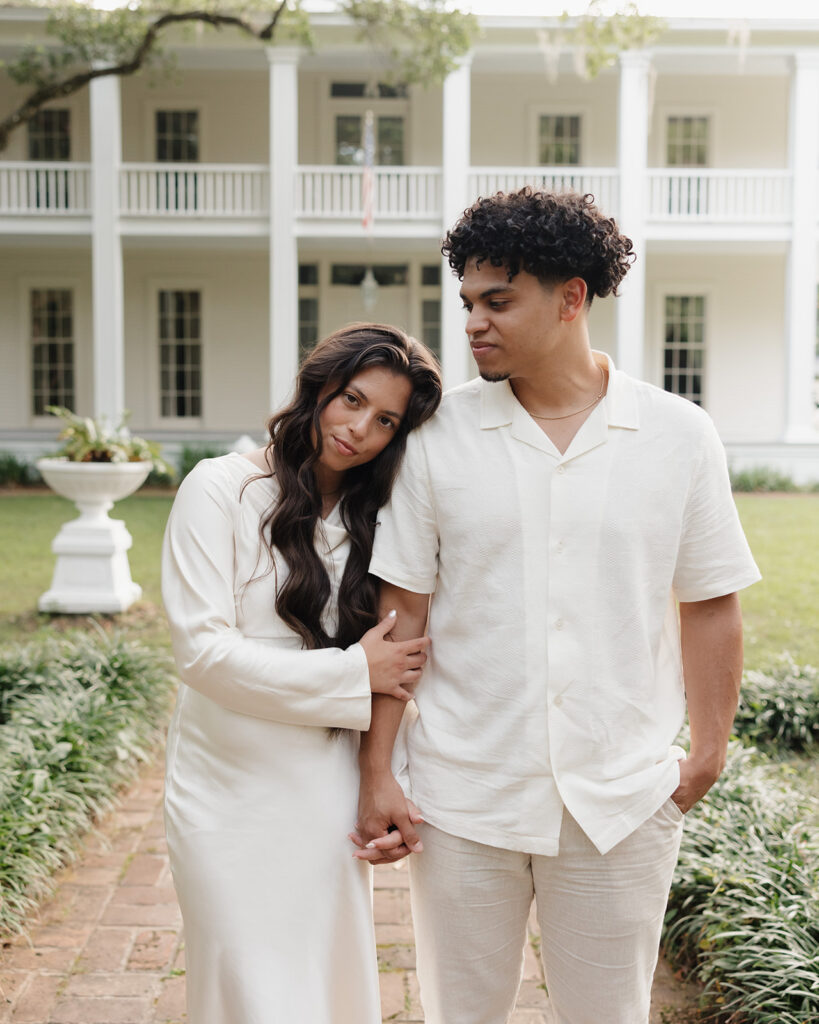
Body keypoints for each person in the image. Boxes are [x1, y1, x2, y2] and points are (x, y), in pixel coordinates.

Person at [352, 189, 761, 1024]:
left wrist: (707, 753)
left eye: (497, 300)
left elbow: (710, 600)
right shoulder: (436, 438)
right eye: (467, 301)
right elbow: (404, 613)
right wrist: (377, 773)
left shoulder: (680, 435)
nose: (472, 322)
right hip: (465, 797)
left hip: (620, 801)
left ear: (570, 297)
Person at [161, 323, 441, 1024]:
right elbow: (201, 652)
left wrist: (389, 775)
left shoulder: (375, 518)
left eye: (385, 420)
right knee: (242, 987)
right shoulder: (221, 488)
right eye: (351, 400)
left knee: (323, 983)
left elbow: (401, 668)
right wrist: (353, 673)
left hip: (323, 789)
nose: (360, 430)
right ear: (318, 388)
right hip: (223, 792)